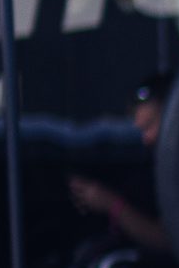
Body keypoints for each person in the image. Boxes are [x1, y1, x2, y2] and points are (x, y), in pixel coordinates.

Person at [66, 73, 168, 251]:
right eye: (141, 130)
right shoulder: (150, 167)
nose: (146, 139)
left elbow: (166, 240)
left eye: (150, 125)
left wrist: (110, 203)